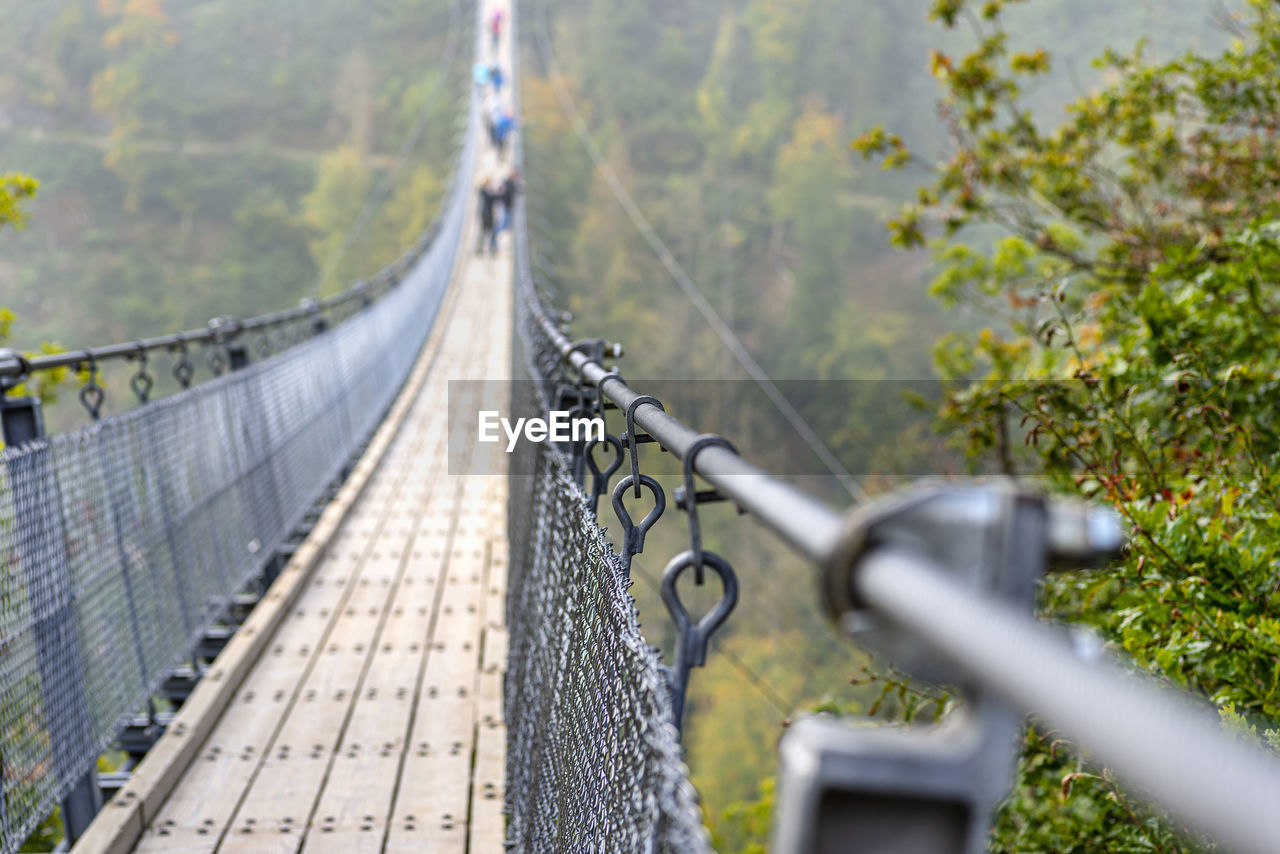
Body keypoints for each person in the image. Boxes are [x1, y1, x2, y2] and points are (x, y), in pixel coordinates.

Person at [477, 175, 500, 256]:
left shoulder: (483, 191)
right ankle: (491, 248)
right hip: (488, 214)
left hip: (484, 213)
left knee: (484, 231)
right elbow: (495, 197)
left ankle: (480, 249)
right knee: (491, 231)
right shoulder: (486, 192)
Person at [496, 169, 521, 236]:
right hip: (505, 205)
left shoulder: (511, 183)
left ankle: (494, 235)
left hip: (508, 205)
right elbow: (504, 192)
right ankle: (494, 232)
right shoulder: (508, 182)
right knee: (504, 224)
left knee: (508, 225)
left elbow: (517, 191)